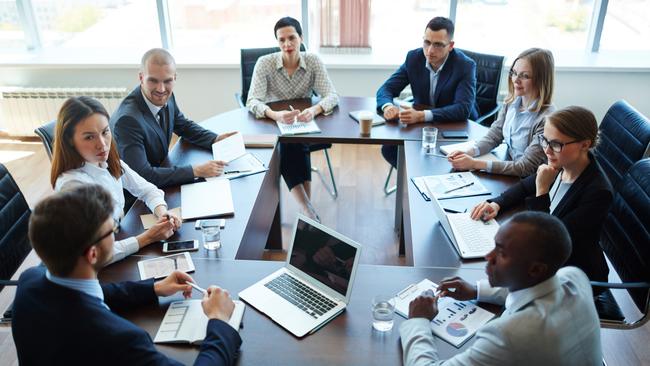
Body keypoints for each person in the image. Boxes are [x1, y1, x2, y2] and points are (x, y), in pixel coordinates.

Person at [12, 185, 242, 365]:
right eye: (111, 231)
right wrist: (219, 320)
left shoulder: (29, 282)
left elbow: (85, 294)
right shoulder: (119, 340)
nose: (115, 235)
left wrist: (153, 288)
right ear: (93, 254)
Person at [401, 212, 602, 365]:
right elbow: (535, 287)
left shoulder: (509, 336)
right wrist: (476, 290)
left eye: (502, 253)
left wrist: (418, 320)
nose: (489, 257)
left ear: (535, 269)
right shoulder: (575, 277)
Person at [471, 106, 613, 282]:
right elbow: (524, 187)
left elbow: (548, 244)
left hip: (571, 278)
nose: (547, 150)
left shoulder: (598, 193)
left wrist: (542, 191)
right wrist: (496, 203)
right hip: (545, 264)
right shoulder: (564, 162)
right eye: (544, 140)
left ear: (585, 144)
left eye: (556, 144)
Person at [51, 96, 181, 264]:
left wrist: (163, 213)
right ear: (70, 141)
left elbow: (148, 190)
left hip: (118, 241)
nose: (102, 144)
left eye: (105, 132)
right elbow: (95, 255)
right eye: (89, 137)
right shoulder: (72, 186)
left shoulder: (107, 161)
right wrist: (148, 238)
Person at [246, 16, 339, 221]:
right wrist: (274, 114)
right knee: (290, 145)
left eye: (292, 38)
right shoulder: (265, 63)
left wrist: (314, 110)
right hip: (272, 125)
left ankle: (306, 211)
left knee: (295, 144)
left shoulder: (313, 60)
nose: (287, 44)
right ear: (277, 41)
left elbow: (332, 95)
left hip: (303, 122)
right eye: (282, 40)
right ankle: (307, 210)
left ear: (301, 38)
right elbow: (252, 100)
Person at [111, 48, 236, 188]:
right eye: (153, 81)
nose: (161, 89)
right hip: (138, 196)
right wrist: (196, 171)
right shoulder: (127, 121)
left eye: (167, 81)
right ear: (141, 78)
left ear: (175, 78)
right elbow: (142, 176)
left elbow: (183, 125)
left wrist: (215, 139)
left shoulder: (167, 97)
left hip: (162, 173)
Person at [376, 16, 478, 168]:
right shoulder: (414, 58)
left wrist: (422, 116)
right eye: (427, 42)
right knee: (389, 150)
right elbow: (386, 89)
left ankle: (423, 181)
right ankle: (414, 183)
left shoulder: (465, 65)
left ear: (450, 45)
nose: (430, 51)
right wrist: (388, 107)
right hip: (421, 128)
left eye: (438, 45)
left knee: (444, 162)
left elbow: (462, 109)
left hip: (455, 127)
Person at [448, 48, 556, 177]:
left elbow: (526, 167)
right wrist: (469, 152)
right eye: (514, 73)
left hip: (528, 180)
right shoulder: (511, 101)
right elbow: (495, 135)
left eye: (525, 76)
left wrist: (474, 164)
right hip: (506, 169)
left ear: (541, 80)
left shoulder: (546, 119)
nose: (515, 80)